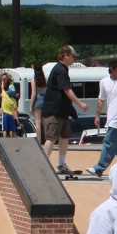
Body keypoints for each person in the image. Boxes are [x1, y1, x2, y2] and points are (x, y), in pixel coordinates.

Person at [38, 46, 87, 175]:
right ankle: (44, 164)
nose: (74, 59)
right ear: (65, 55)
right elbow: (66, 89)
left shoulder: (63, 69)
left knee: (64, 137)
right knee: (51, 137)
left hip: (63, 110)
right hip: (54, 110)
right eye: (73, 56)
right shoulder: (60, 70)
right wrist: (80, 103)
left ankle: (61, 164)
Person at [88, 59, 117, 177]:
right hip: (111, 116)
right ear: (112, 69)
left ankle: (99, 168)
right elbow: (101, 99)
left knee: (109, 142)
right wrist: (97, 115)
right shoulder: (104, 82)